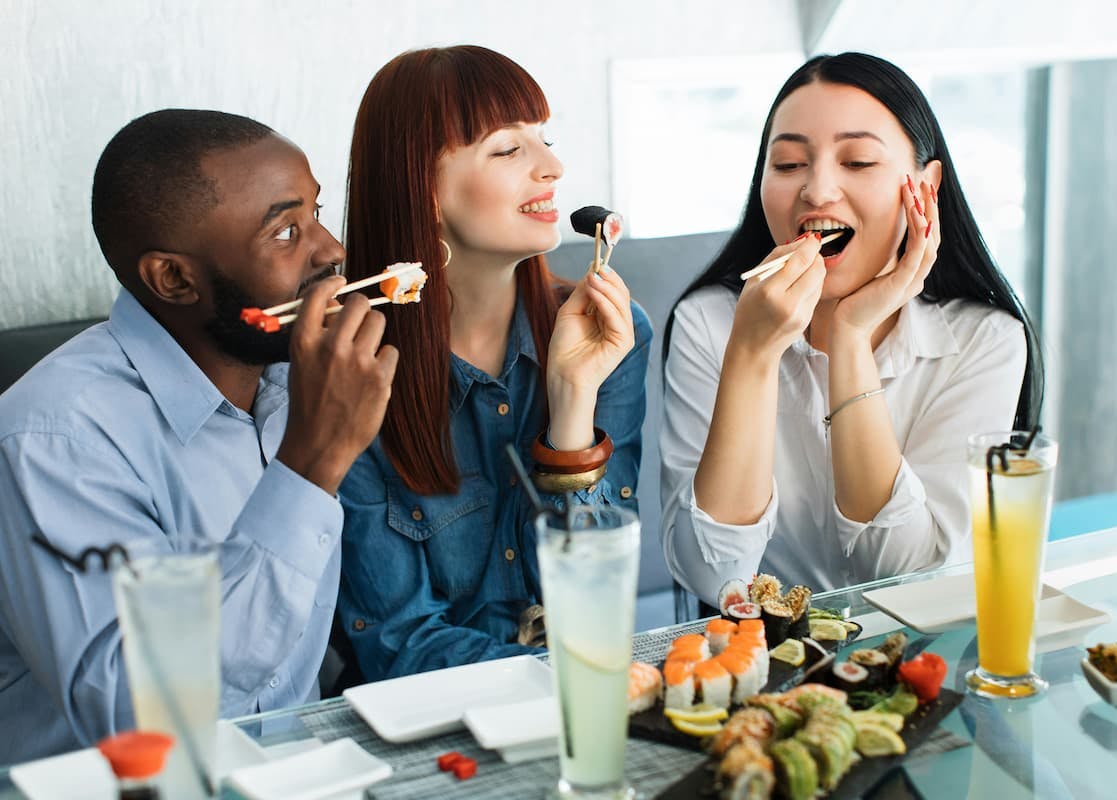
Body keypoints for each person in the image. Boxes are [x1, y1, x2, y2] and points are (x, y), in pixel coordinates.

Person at [0, 109, 398, 762]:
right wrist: (309, 467)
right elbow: (145, 718)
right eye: (287, 230)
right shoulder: (54, 441)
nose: (331, 251)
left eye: (318, 213)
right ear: (174, 279)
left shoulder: (296, 383)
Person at [660, 52, 1043, 604]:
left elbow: (912, 577)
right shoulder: (710, 323)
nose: (816, 191)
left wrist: (850, 338)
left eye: (858, 162)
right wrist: (751, 353)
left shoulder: (986, 340)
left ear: (924, 188)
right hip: (767, 667)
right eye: (789, 164)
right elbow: (718, 574)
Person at [336, 46, 652, 680]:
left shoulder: (612, 334)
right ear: (423, 189)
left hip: (582, 693)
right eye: (509, 150)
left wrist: (571, 405)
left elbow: (593, 601)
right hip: (433, 727)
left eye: (544, 140)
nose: (553, 167)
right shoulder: (348, 372)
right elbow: (396, 646)